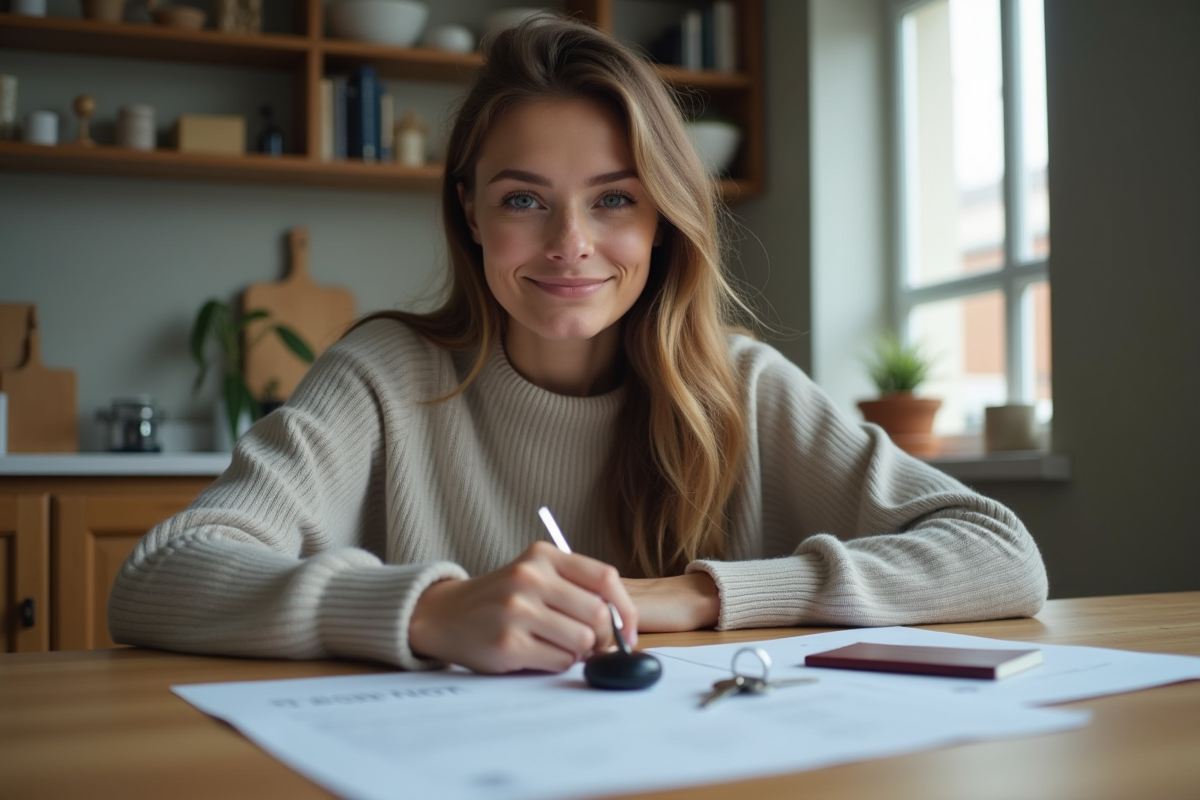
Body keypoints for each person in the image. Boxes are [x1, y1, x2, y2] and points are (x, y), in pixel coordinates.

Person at [107, 15, 1047, 674]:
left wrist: (701, 595)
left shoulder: (743, 386)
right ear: (470, 212)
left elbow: (1000, 552)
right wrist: (430, 611)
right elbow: (158, 577)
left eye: (614, 200)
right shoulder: (384, 375)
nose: (569, 244)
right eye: (524, 199)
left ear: (663, 221)